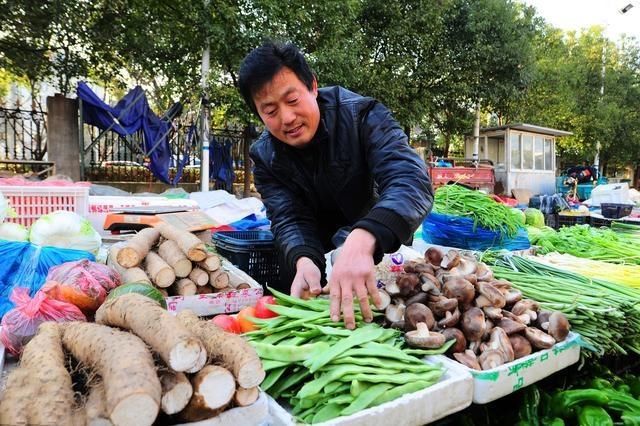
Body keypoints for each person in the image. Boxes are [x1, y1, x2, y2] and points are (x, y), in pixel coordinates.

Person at [238, 41, 433, 329]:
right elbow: (288, 216)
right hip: (315, 269)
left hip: (376, 250)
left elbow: (410, 179)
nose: (287, 118)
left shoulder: (362, 115)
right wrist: (303, 259)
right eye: (270, 110)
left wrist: (365, 236)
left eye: (292, 101)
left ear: (312, 86)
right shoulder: (265, 155)